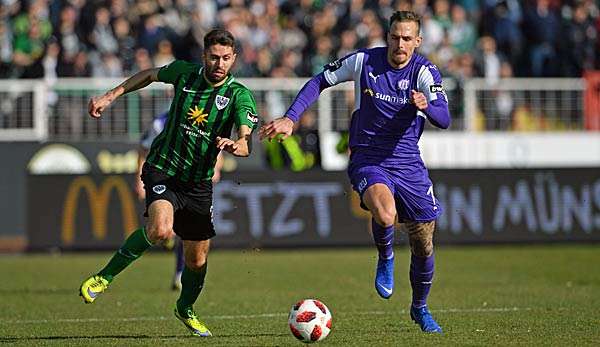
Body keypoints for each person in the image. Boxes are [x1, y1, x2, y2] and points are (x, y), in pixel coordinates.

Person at [260, 11, 450, 333]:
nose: (399, 44)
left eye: (407, 38)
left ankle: (420, 308)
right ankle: (385, 257)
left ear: (417, 41)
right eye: (394, 36)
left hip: (408, 163)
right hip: (368, 157)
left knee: (424, 243)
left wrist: (426, 106)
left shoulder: (425, 73)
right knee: (386, 214)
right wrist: (291, 118)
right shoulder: (364, 61)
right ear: (387, 36)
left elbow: (444, 118)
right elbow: (319, 81)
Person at [79, 29, 259, 337]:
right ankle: (104, 277)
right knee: (161, 230)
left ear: (234, 59)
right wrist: (111, 96)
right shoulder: (184, 74)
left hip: (198, 184)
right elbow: (149, 75)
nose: (219, 64)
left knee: (197, 258)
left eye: (226, 58)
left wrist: (236, 145)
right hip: (162, 168)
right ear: (204, 56)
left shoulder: (239, 95)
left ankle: (185, 308)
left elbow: (245, 139)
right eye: (214, 57)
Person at [133, 111, 224, 291]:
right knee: (164, 228)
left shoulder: (204, 118)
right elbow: (144, 151)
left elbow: (216, 147)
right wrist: (139, 179)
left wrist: (216, 168)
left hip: (193, 182)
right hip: (163, 179)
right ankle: (170, 240)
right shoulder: (160, 123)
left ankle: (180, 274)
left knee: (189, 232)